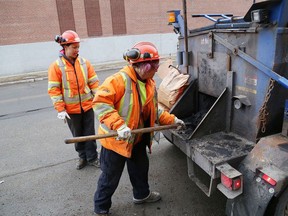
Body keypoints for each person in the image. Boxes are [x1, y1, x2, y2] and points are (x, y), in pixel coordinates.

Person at [92, 41, 185, 215]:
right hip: (116, 140)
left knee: (140, 170)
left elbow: (154, 110)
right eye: (154, 65)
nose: (156, 69)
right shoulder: (118, 80)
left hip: (137, 138)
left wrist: (173, 120)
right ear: (141, 65)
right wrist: (119, 125)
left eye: (157, 64)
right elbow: (100, 103)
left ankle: (141, 195)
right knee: (109, 177)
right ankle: (101, 207)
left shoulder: (149, 82)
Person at [48, 30, 100, 170]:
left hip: (87, 106)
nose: (77, 50)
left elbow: (94, 83)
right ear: (65, 47)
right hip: (71, 110)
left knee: (90, 133)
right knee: (77, 135)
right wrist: (60, 108)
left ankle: (93, 157)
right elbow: (54, 89)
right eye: (74, 47)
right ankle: (82, 157)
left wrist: (99, 99)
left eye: (78, 47)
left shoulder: (84, 63)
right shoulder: (56, 66)